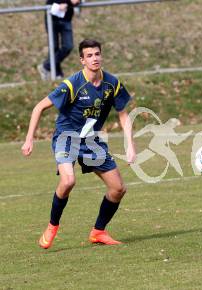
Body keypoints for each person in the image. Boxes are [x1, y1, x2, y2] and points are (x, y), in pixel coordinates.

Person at [22, 39, 136, 249]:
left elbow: (123, 115)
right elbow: (39, 107)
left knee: (118, 189)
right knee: (68, 181)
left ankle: (98, 231)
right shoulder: (72, 84)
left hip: (92, 142)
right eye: (90, 55)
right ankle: (52, 225)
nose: (95, 58)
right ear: (82, 60)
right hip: (66, 138)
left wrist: (130, 144)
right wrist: (29, 138)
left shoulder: (112, 84)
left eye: (97, 54)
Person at [37, 0, 81, 80]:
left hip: (66, 18)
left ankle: (46, 66)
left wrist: (68, 3)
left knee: (68, 46)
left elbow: (75, 1)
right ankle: (57, 75)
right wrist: (67, 2)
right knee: (54, 47)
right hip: (52, 16)